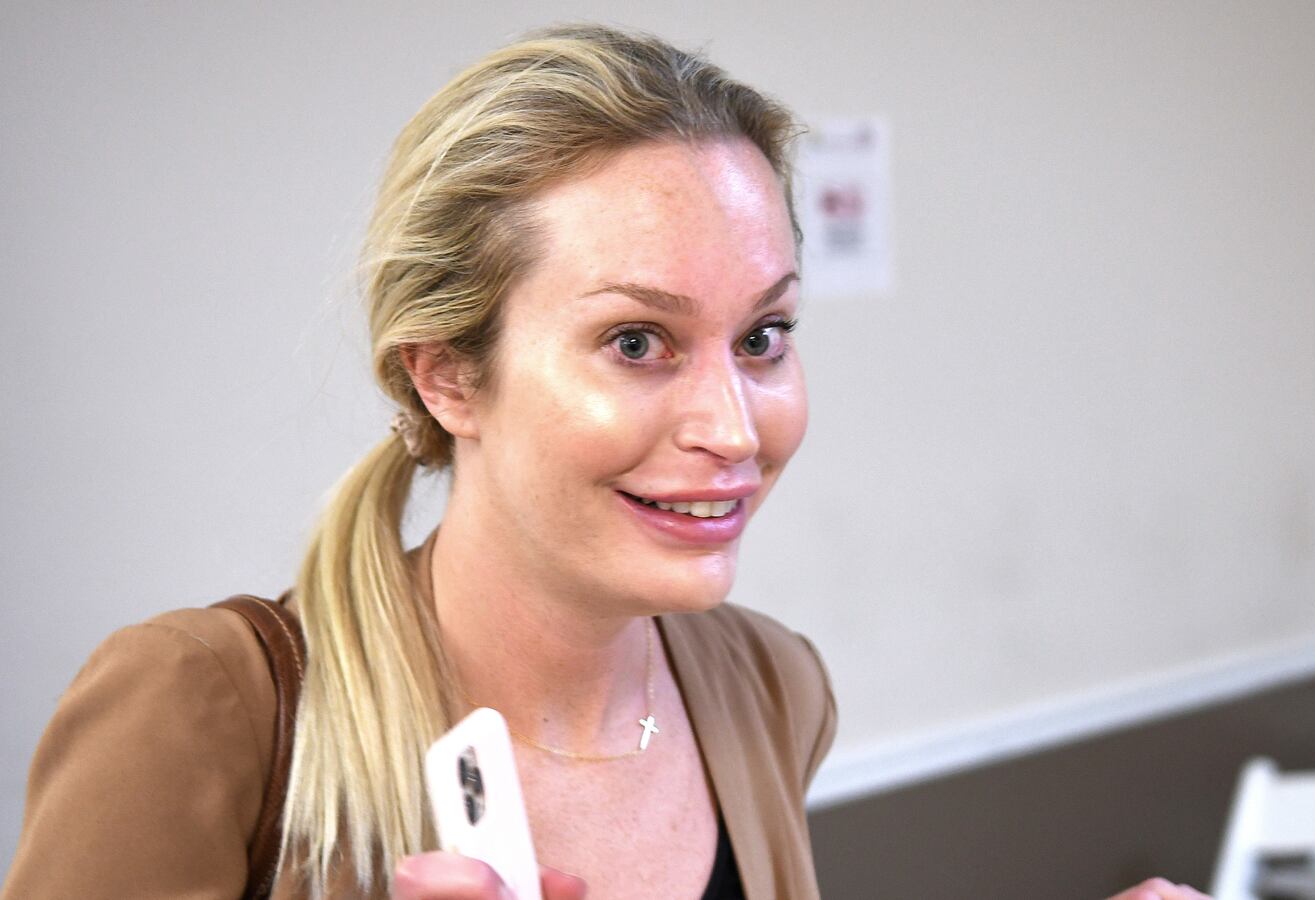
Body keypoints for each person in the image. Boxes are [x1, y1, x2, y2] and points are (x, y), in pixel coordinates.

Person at [3, 23, 1211, 900]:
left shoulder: (769, 690)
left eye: (764, 338)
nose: (734, 429)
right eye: (638, 342)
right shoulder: (205, 709)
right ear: (446, 375)